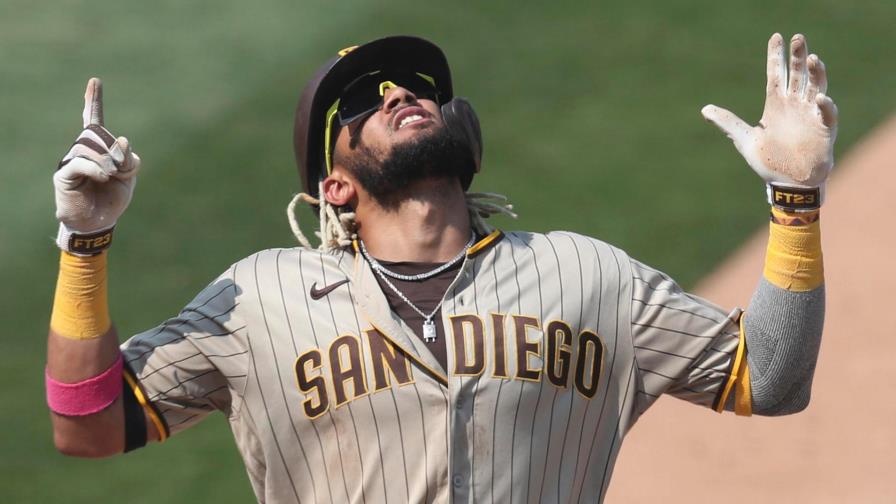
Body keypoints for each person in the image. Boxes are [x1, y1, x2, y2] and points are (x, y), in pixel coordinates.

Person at [46, 33, 835, 503]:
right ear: (335, 186)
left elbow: (770, 377)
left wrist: (795, 199)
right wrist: (85, 246)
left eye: (417, 86)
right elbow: (86, 428)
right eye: (360, 98)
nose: (396, 91)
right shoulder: (258, 298)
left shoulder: (592, 276)